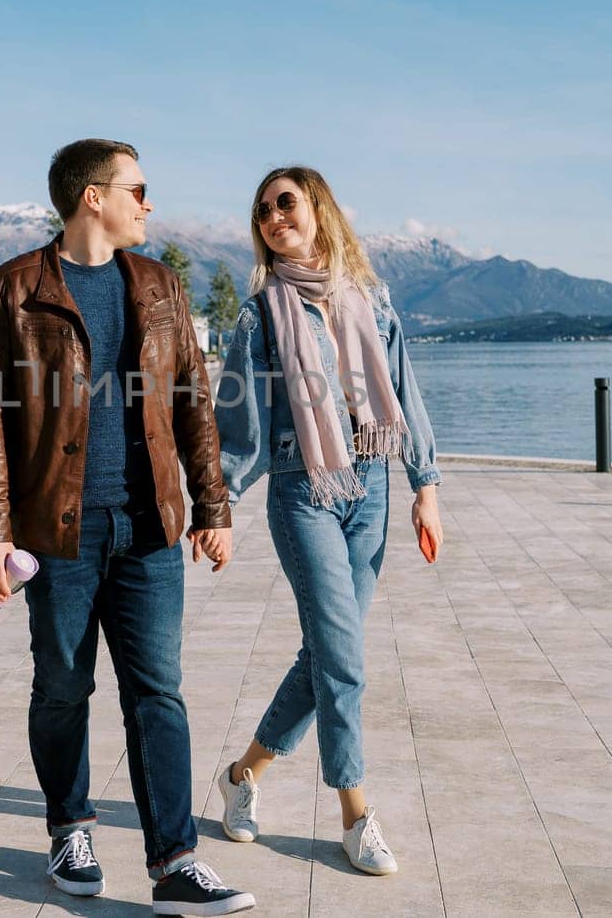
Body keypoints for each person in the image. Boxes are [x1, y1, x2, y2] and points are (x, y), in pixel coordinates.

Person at [0, 139, 255, 915]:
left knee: (159, 689)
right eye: (139, 188)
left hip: (150, 524)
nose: (148, 203)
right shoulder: (9, 289)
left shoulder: (160, 284)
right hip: (56, 530)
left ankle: (177, 861)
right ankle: (69, 828)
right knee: (63, 683)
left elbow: (193, 398)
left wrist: (213, 507)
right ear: (93, 196)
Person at [212, 165, 444, 877]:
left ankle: (243, 773)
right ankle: (355, 812)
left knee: (324, 653)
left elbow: (403, 387)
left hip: (370, 484)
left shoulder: (371, 299)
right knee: (343, 654)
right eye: (262, 210)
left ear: (317, 209)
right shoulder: (258, 314)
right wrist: (218, 498)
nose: (273, 215)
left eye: (285, 201)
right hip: (301, 488)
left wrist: (425, 484)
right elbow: (237, 418)